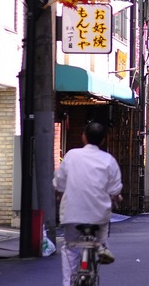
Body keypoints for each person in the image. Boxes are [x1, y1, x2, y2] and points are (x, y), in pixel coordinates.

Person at [53, 122, 123, 286]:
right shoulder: (109, 160)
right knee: (102, 231)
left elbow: (59, 182)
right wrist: (117, 198)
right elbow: (115, 189)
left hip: (72, 215)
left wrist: (59, 194)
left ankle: (67, 283)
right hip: (98, 216)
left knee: (70, 249)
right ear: (103, 141)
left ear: (83, 137)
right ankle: (100, 246)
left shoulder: (71, 155)